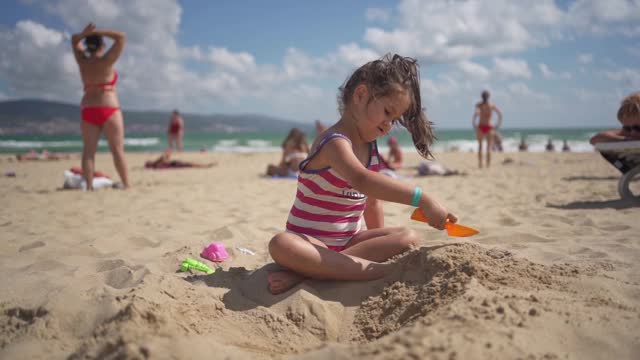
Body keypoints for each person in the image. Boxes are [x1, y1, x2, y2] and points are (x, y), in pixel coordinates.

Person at [267, 54, 456, 295]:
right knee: (281, 244)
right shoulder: (334, 143)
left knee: (407, 237)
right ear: (360, 95)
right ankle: (379, 272)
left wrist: (380, 245)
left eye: (394, 119)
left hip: (349, 245)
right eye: (387, 112)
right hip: (310, 243)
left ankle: (313, 272)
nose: (389, 124)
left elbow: (372, 202)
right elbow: (363, 181)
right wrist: (423, 199)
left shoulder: (371, 148)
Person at [72, 23, 129, 190]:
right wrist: (97, 32)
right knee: (117, 150)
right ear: (102, 45)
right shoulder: (107, 60)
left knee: (89, 151)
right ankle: (126, 185)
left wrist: (84, 34)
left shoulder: (82, 61)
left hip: (89, 108)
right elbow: (121, 37)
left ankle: (89, 186)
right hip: (108, 107)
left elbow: (73, 40)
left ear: (88, 45)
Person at [472, 90, 503, 168]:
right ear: (489, 97)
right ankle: (488, 165)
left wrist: (474, 124)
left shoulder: (479, 105)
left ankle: (480, 164)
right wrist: (498, 124)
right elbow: (500, 114)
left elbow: (476, 114)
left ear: (481, 96)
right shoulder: (491, 105)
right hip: (489, 126)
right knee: (489, 147)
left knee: (480, 146)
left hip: (481, 126)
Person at [144, 150, 217, 169]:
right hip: (174, 164)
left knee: (191, 164)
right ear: (149, 164)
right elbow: (164, 157)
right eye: (148, 162)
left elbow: (165, 156)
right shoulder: (156, 164)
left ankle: (206, 165)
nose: (150, 161)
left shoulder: (156, 164)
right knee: (191, 164)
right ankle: (206, 165)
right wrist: (166, 154)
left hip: (174, 163)